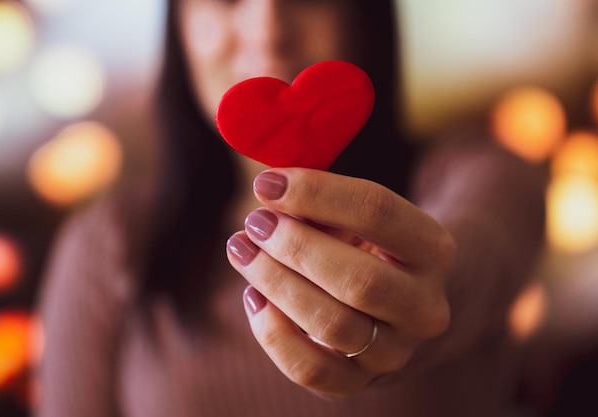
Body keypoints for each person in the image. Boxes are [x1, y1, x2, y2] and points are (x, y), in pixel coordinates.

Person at [35, 1, 546, 416]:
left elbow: (477, 255)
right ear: (180, 25)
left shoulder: (478, 174)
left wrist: (421, 297)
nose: (268, 29)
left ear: (361, 16)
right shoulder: (108, 243)